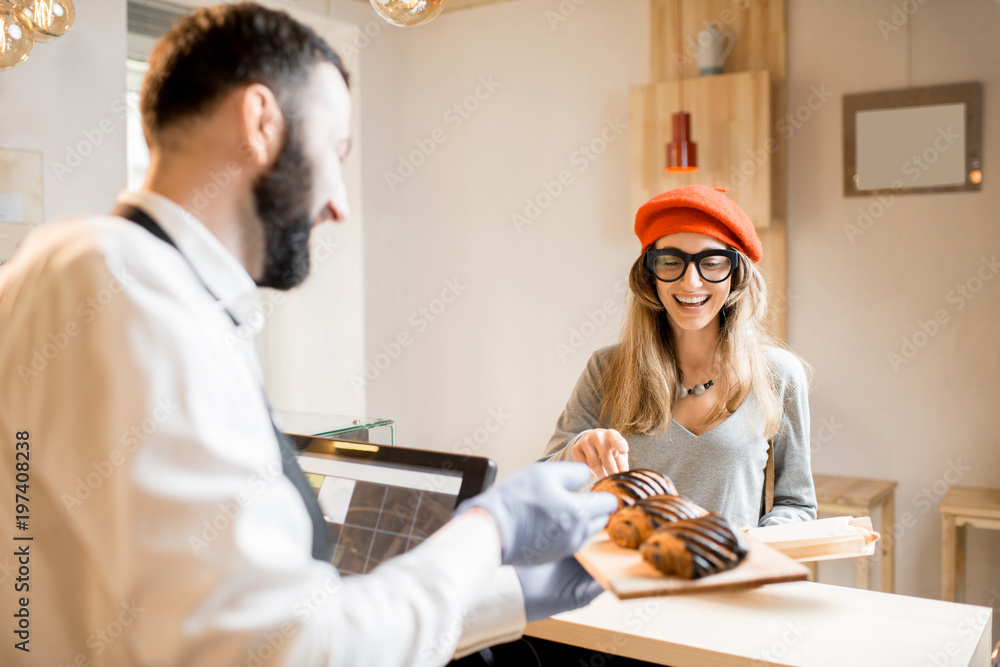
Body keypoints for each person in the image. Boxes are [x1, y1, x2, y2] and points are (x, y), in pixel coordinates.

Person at [0, 4, 617, 666]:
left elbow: (257, 622)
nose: (339, 203)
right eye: (336, 151)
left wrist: (513, 594)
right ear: (261, 121)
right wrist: (491, 528)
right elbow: (283, 651)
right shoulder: (123, 288)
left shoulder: (98, 278)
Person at [542, 185, 817, 529]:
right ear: (649, 275)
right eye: (671, 262)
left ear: (735, 274)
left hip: (729, 576)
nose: (691, 282)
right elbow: (543, 487)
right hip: (628, 577)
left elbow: (796, 504)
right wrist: (578, 450)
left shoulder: (778, 374)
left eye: (712, 263)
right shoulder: (607, 369)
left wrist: (753, 543)